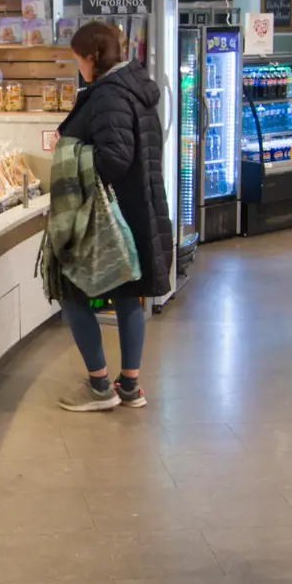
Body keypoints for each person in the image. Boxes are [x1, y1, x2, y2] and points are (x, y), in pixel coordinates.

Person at [51, 20, 173, 412]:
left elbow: (114, 159)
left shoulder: (108, 95)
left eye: (79, 60)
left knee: (72, 292)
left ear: (92, 58)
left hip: (107, 219)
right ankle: (130, 386)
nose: (79, 69)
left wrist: (69, 150)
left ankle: (99, 385)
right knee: (126, 297)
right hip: (139, 211)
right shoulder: (138, 87)